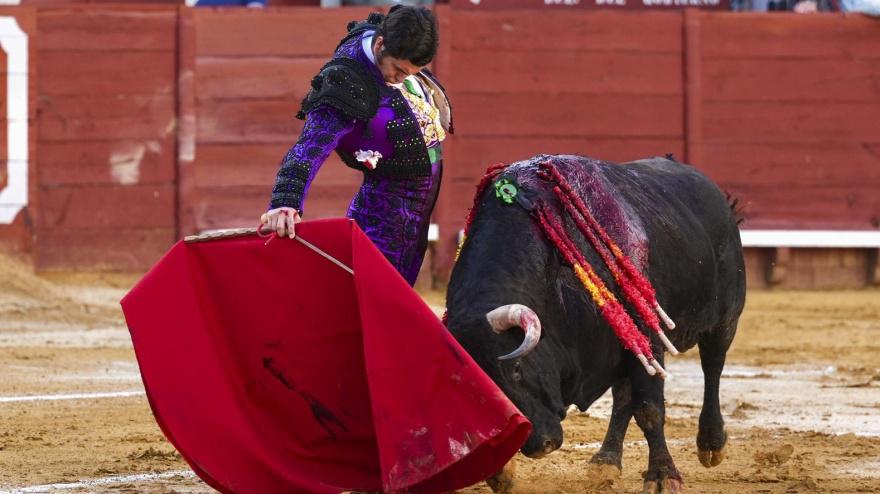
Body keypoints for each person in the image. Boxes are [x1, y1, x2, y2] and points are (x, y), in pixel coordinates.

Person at [262, 5, 451, 286]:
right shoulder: (346, 82)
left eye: (412, 72)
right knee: (378, 288)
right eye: (398, 69)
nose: (403, 78)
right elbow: (309, 146)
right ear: (380, 43)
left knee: (388, 286)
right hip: (386, 208)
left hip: (415, 205)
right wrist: (285, 201)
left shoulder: (389, 44)